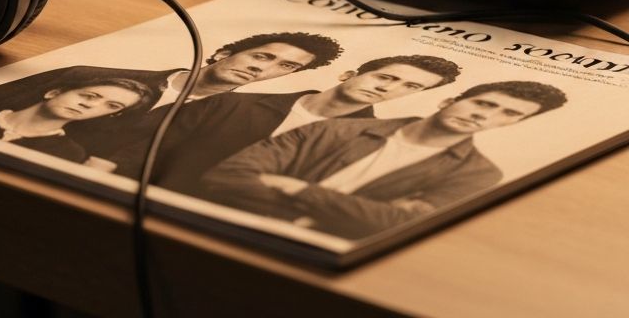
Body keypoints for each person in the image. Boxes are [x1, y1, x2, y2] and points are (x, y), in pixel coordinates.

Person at [199, 80, 567, 240]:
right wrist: (357, 212)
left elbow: (396, 227)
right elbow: (224, 178)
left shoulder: (479, 174)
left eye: (507, 113)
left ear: (513, 124)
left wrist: (301, 190)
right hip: (230, 232)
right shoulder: (335, 129)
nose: (485, 116)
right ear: (447, 101)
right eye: (483, 103)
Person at [0, 30, 343, 162]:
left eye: (284, 67)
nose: (262, 68)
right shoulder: (90, 75)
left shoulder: (238, 122)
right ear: (224, 52)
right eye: (262, 56)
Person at [134, 54, 461, 192]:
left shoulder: (371, 142)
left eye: (411, 87)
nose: (388, 88)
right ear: (350, 74)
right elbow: (137, 148)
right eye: (386, 76)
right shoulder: (232, 102)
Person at [0, 75, 155, 163]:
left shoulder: (69, 155)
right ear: (54, 92)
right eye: (89, 94)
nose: (90, 104)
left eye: (110, 106)